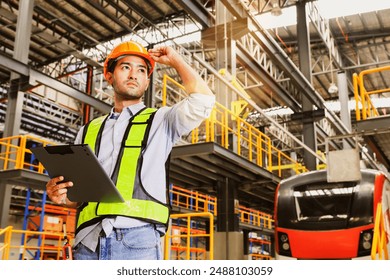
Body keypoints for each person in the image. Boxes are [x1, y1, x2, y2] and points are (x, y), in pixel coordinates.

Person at [45, 41, 215, 260]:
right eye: (126, 67)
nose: (134, 74)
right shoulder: (88, 130)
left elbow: (203, 101)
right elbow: (79, 198)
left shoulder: (162, 121)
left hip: (137, 241)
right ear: (109, 75)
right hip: (88, 242)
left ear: (146, 82)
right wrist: (61, 195)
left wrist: (176, 60)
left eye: (141, 70)